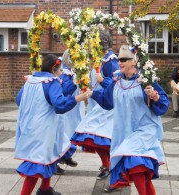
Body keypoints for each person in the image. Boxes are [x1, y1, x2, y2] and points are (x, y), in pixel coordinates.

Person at [89, 45, 170, 194]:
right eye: (119, 59)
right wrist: (91, 93)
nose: (120, 62)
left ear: (134, 61)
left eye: (124, 59)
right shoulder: (116, 81)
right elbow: (107, 102)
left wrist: (154, 96)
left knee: (135, 163)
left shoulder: (145, 80)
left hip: (144, 129)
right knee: (142, 173)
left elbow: (163, 105)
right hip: (124, 131)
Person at [14, 54, 89, 195]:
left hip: (31, 126)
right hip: (44, 128)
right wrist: (78, 98)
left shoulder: (31, 80)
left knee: (51, 153)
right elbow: (59, 105)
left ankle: (45, 189)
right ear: (53, 69)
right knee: (37, 163)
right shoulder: (52, 82)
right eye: (60, 71)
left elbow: (19, 100)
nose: (61, 73)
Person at [71, 29, 119, 180]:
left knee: (97, 137)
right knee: (96, 137)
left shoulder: (110, 62)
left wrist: (103, 81)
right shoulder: (101, 60)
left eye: (93, 43)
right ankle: (107, 165)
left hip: (106, 107)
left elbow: (117, 85)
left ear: (99, 44)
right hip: (96, 104)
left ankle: (112, 167)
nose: (91, 47)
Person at [55, 49, 86, 174]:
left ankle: (66, 156)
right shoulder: (65, 74)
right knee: (64, 134)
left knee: (72, 133)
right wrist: (74, 83)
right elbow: (65, 90)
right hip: (67, 110)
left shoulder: (72, 73)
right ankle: (56, 161)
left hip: (74, 109)